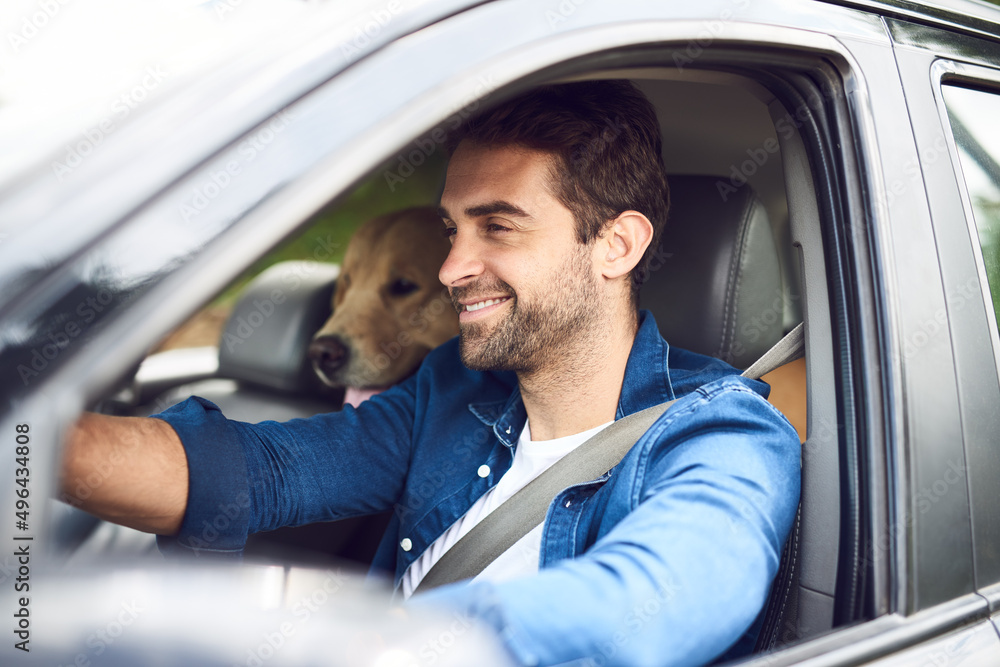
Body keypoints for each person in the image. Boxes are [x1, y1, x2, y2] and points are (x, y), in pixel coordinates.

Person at [61, 80, 800, 666]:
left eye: (498, 226)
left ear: (617, 246)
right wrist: (39, 447)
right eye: (453, 229)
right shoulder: (451, 389)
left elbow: (657, 601)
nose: (450, 268)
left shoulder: (722, 429)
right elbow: (265, 469)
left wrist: (368, 640)